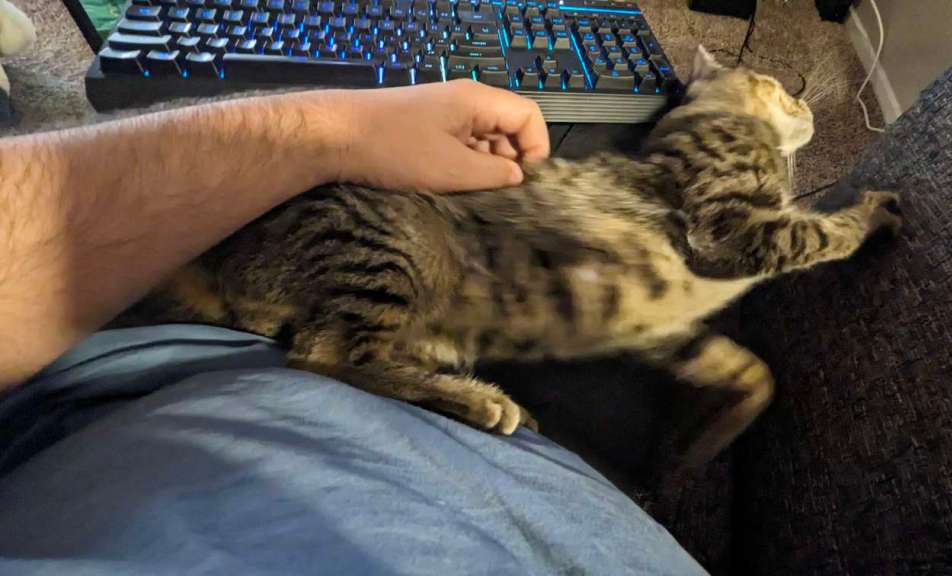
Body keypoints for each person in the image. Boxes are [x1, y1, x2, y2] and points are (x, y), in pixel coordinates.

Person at [0, 81, 708, 575]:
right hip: (240, 381)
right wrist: (331, 130)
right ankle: (350, 354)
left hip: (187, 364)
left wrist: (336, 130)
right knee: (402, 243)